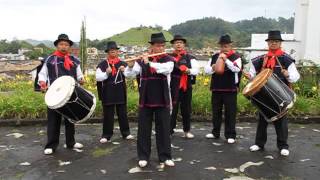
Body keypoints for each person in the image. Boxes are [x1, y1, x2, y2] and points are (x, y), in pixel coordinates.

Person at [244, 30, 300, 156]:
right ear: (268, 43)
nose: (273, 43)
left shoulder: (286, 59)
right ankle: (259, 144)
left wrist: (288, 74)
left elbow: (296, 77)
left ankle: (283, 146)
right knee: (262, 120)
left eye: (276, 41)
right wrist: (250, 76)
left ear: (280, 43)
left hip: (281, 95)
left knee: (281, 122)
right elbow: (253, 73)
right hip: (263, 95)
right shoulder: (260, 59)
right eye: (271, 41)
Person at [124, 32, 175, 168]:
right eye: (158, 46)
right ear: (152, 46)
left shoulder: (168, 59)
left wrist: (149, 62)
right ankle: (143, 156)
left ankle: (165, 156)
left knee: (163, 128)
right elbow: (129, 74)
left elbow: (165, 70)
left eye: (163, 45)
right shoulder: (141, 61)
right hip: (146, 98)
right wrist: (130, 65)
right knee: (144, 129)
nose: (161, 48)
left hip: (163, 98)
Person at [38, 34, 85, 155]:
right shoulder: (49, 59)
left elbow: (79, 74)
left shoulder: (74, 60)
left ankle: (71, 142)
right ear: (57, 45)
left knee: (70, 119)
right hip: (55, 94)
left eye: (66, 45)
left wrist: (81, 79)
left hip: (71, 93)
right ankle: (51, 145)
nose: (64, 47)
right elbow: (42, 74)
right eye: (61, 44)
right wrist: (42, 82)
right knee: (54, 120)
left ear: (69, 46)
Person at [204, 34, 242, 144]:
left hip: (230, 89)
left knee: (230, 112)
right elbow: (207, 70)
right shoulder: (215, 56)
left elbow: (237, 69)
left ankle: (230, 135)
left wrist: (227, 61)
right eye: (222, 46)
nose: (223, 48)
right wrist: (212, 67)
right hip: (216, 88)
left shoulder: (236, 57)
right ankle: (215, 132)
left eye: (226, 46)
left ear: (230, 45)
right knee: (216, 111)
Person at [96, 41, 134, 144]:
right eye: (111, 50)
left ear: (118, 52)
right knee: (108, 114)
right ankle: (106, 135)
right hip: (107, 92)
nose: (113, 52)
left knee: (122, 113)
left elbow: (130, 75)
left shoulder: (123, 63)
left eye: (115, 50)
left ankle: (126, 133)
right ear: (107, 52)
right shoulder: (102, 64)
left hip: (120, 91)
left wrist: (124, 70)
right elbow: (98, 78)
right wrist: (106, 73)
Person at [169, 35, 200, 138]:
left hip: (186, 86)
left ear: (184, 44)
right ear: (173, 45)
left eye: (181, 42)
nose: (178, 44)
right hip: (172, 86)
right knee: (172, 109)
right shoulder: (168, 57)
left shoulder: (190, 57)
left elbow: (196, 70)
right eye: (176, 42)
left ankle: (186, 131)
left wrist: (188, 70)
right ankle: (169, 131)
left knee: (186, 109)